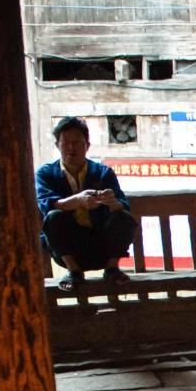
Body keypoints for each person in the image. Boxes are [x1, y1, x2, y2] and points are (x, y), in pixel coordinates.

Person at [35, 116, 137, 294]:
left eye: (77, 142)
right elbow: (47, 205)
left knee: (123, 217)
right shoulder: (45, 174)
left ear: (87, 145)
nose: (71, 148)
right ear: (57, 145)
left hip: (102, 244)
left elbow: (123, 206)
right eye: (66, 142)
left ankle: (112, 269)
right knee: (54, 217)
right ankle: (73, 271)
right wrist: (78, 200)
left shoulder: (102, 172)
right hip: (69, 248)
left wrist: (112, 203)